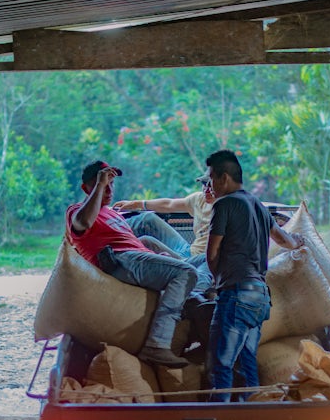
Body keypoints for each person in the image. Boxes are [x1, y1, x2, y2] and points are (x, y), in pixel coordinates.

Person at [66, 159, 196, 368]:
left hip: (135, 256)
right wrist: (98, 187)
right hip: (119, 260)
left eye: (111, 183)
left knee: (202, 263)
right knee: (186, 273)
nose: (108, 189)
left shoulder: (111, 214)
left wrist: (160, 256)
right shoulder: (77, 210)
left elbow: (139, 242)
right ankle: (156, 345)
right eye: (102, 183)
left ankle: (203, 300)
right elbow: (82, 224)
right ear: (86, 188)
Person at [202, 150, 303, 402]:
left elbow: (211, 253)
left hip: (236, 295)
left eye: (211, 178)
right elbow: (284, 239)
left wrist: (217, 283)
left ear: (224, 178)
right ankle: (252, 413)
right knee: (248, 367)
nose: (210, 185)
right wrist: (300, 241)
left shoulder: (224, 205)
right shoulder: (257, 204)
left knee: (221, 365)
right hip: (259, 299)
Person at [114, 189, 216, 294]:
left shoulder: (229, 207)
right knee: (148, 220)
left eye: (210, 184)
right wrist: (137, 203)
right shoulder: (200, 199)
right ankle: (109, 228)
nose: (207, 189)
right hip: (187, 250)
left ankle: (194, 297)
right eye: (204, 184)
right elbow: (169, 204)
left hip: (202, 261)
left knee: (146, 241)